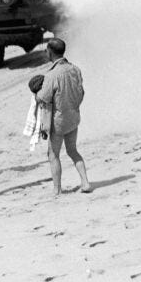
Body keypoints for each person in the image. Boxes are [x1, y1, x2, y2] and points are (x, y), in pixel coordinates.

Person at [33, 38, 92, 196]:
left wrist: (35, 92)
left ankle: (57, 190)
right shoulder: (75, 69)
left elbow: (43, 98)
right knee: (73, 151)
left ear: (50, 52)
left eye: (46, 50)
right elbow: (81, 93)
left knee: (53, 155)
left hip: (58, 121)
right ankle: (85, 182)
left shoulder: (52, 75)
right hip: (73, 117)